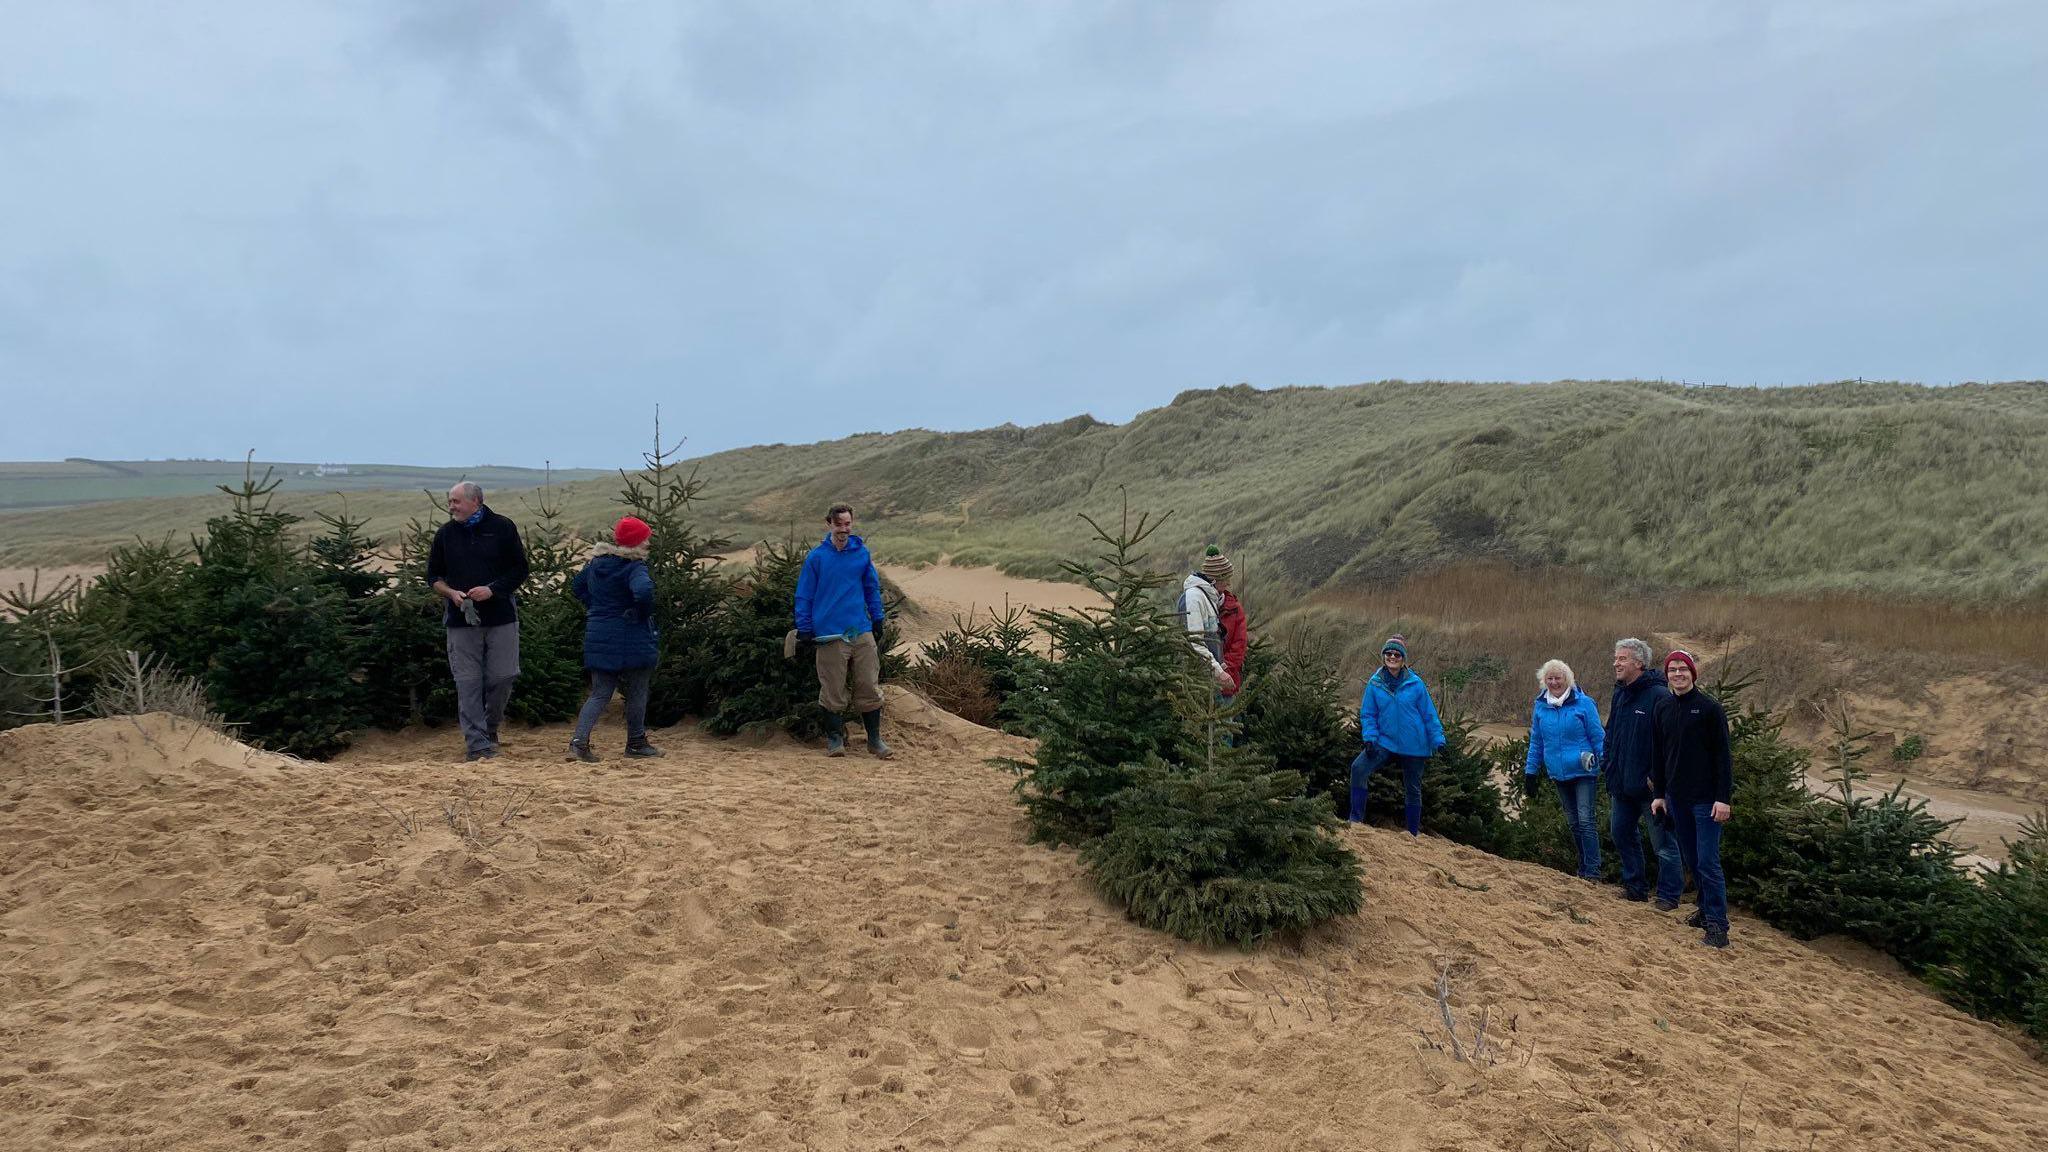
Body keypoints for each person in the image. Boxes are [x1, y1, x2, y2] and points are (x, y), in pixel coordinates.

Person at [426, 481, 529, 762]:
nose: (451, 507)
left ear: (475, 501)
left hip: (501, 617)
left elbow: (521, 569)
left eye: (456, 501)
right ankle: (477, 745)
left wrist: (493, 590)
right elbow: (433, 576)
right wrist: (450, 593)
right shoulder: (446, 534)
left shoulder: (503, 527)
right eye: (450, 502)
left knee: (504, 676)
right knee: (468, 682)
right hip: (460, 622)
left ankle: (490, 728)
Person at [1650, 649, 1734, 949]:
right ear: (1667, 675)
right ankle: (1704, 910)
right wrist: (1660, 794)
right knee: (1693, 860)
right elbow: (1659, 755)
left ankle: (1718, 926)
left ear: (1692, 673)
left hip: (1707, 801)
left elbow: (1723, 758)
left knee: (1708, 862)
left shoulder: (1710, 709)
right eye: (1672, 670)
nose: (1677, 674)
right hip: (1677, 799)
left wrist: (1723, 799)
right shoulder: (1663, 707)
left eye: (1682, 669)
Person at [794, 504, 890, 758]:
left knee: (869, 684)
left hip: (860, 629)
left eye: (848, 524)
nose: (844, 529)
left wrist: (878, 618)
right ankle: (835, 740)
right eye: (839, 525)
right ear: (829, 524)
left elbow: (872, 588)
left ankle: (875, 740)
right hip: (829, 634)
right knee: (833, 689)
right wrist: (804, 628)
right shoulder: (817, 557)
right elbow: (804, 595)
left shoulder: (861, 554)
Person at [566, 516, 663, 762]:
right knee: (638, 690)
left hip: (599, 632)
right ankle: (636, 743)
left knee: (600, 692)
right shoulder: (634, 566)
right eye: (645, 539)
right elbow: (643, 591)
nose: (648, 543)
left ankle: (579, 743)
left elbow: (577, 587)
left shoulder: (597, 564)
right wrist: (640, 613)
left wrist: (598, 608)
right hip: (631, 634)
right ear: (637, 542)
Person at [1604, 638, 1683, 909]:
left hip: (1651, 790)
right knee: (1621, 834)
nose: (1616, 663)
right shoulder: (1620, 693)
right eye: (1616, 658)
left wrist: (1657, 778)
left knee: (1663, 843)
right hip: (1621, 785)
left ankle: (1669, 896)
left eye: (1622, 658)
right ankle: (1635, 888)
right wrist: (1608, 763)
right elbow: (1611, 732)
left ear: (1639, 663)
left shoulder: (1660, 696)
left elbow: (1672, 744)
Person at [1349, 635, 1446, 836]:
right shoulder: (1375, 683)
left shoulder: (1416, 684)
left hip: (1415, 744)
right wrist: (1369, 737)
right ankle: (1355, 820)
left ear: (1403, 659)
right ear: (1383, 656)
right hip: (1385, 741)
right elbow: (1368, 713)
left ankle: (1412, 833)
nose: (1392, 657)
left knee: (1413, 788)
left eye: (1397, 654)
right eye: (1388, 653)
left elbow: (1429, 714)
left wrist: (1438, 740)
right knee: (1358, 768)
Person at [1523, 659, 1605, 880]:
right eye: (1549, 678)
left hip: (1583, 770)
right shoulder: (1540, 706)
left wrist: (1606, 761)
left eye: (1558, 678)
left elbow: (1598, 736)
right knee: (1573, 822)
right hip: (1558, 772)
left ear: (1567, 678)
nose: (1554, 682)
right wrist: (1530, 771)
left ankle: (1593, 871)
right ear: (1544, 680)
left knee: (1586, 820)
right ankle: (1583, 867)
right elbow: (1537, 742)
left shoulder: (1584, 703)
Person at [1177, 547, 1239, 694]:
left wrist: (1220, 666)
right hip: (1198, 683)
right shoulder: (1194, 598)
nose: (1228, 584)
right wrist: (1219, 673)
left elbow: (1211, 638)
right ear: (1215, 579)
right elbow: (1195, 643)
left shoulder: (1209, 597)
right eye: (1226, 580)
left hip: (1210, 679)